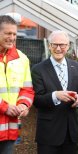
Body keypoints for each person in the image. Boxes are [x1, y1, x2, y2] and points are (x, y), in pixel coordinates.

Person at [31, 30, 78, 154]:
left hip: (70, 131)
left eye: (62, 45)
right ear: (49, 46)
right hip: (48, 133)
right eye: (54, 44)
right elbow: (36, 99)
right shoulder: (38, 69)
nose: (58, 48)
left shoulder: (76, 67)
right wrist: (55, 96)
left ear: (68, 46)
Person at [0, 15, 34, 153]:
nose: (12, 37)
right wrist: (4, 107)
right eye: (8, 33)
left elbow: (27, 89)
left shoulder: (22, 58)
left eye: (14, 34)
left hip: (10, 127)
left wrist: (23, 105)